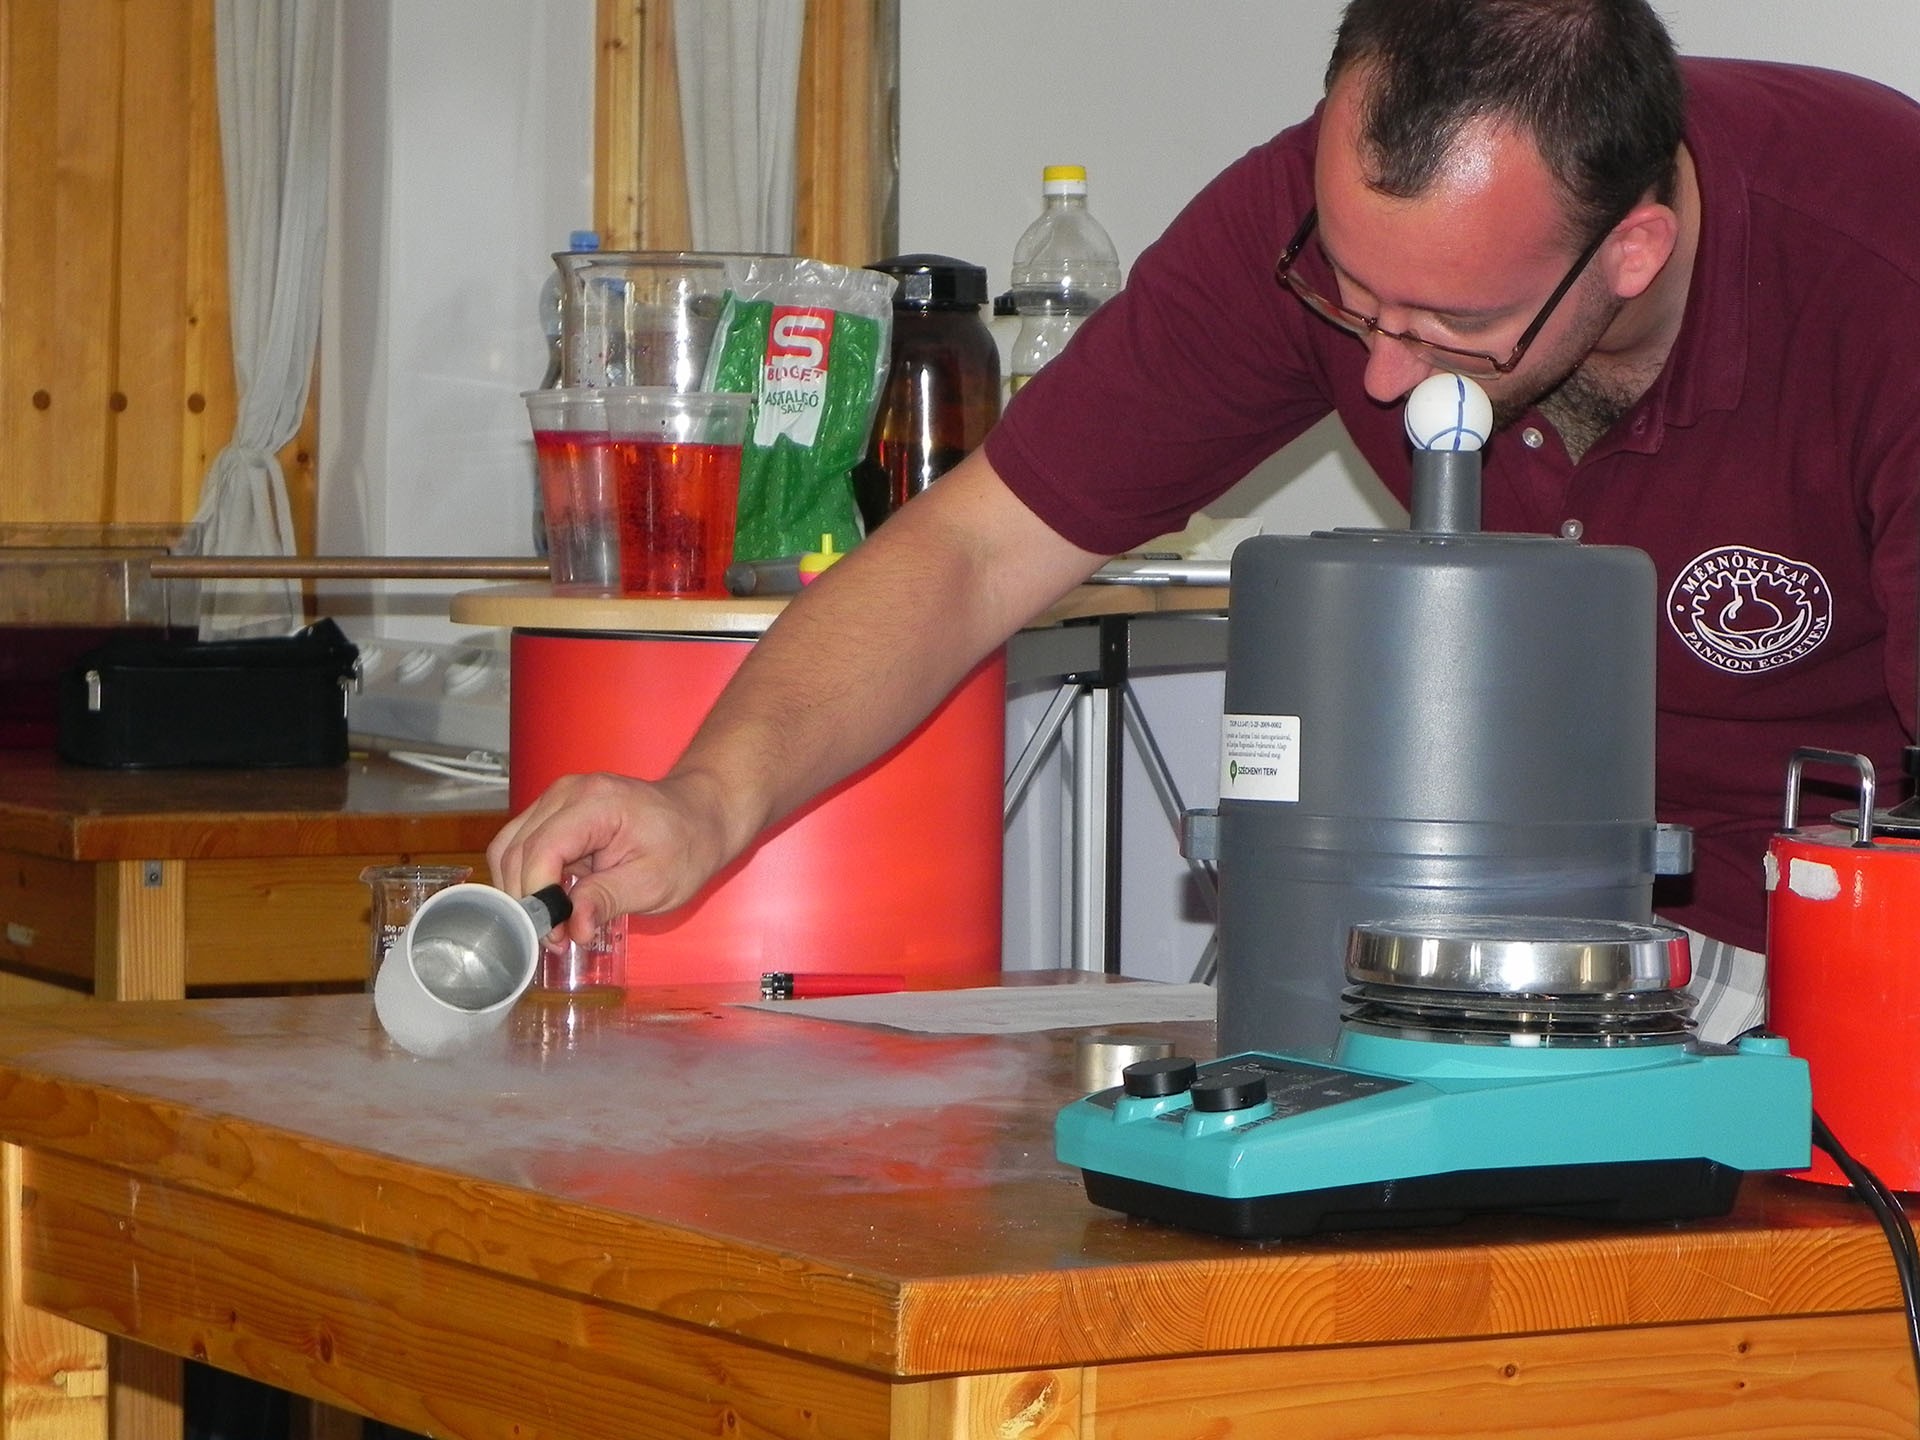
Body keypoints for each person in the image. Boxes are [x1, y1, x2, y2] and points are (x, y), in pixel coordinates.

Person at [492, 0, 1920, 1044]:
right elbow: (976, 550)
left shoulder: (1883, 267)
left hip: (1799, 936)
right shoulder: (1310, 226)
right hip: (1436, 912)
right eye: (1354, 301)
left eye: (1449, 327)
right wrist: (706, 800)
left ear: (1634, 249)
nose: (1382, 376)